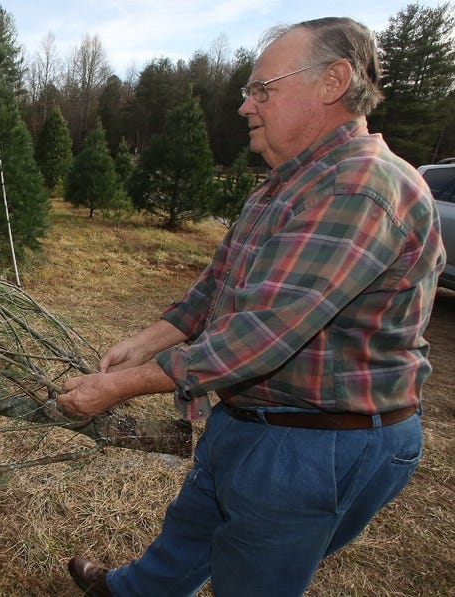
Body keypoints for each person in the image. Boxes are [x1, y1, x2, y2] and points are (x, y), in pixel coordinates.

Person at [58, 17, 445, 597]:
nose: (245, 106)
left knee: (251, 576)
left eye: (263, 89)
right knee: (191, 529)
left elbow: (260, 335)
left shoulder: (359, 187)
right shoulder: (284, 185)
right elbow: (218, 284)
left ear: (333, 82)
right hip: (255, 419)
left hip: (315, 443)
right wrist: (147, 341)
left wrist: (116, 387)